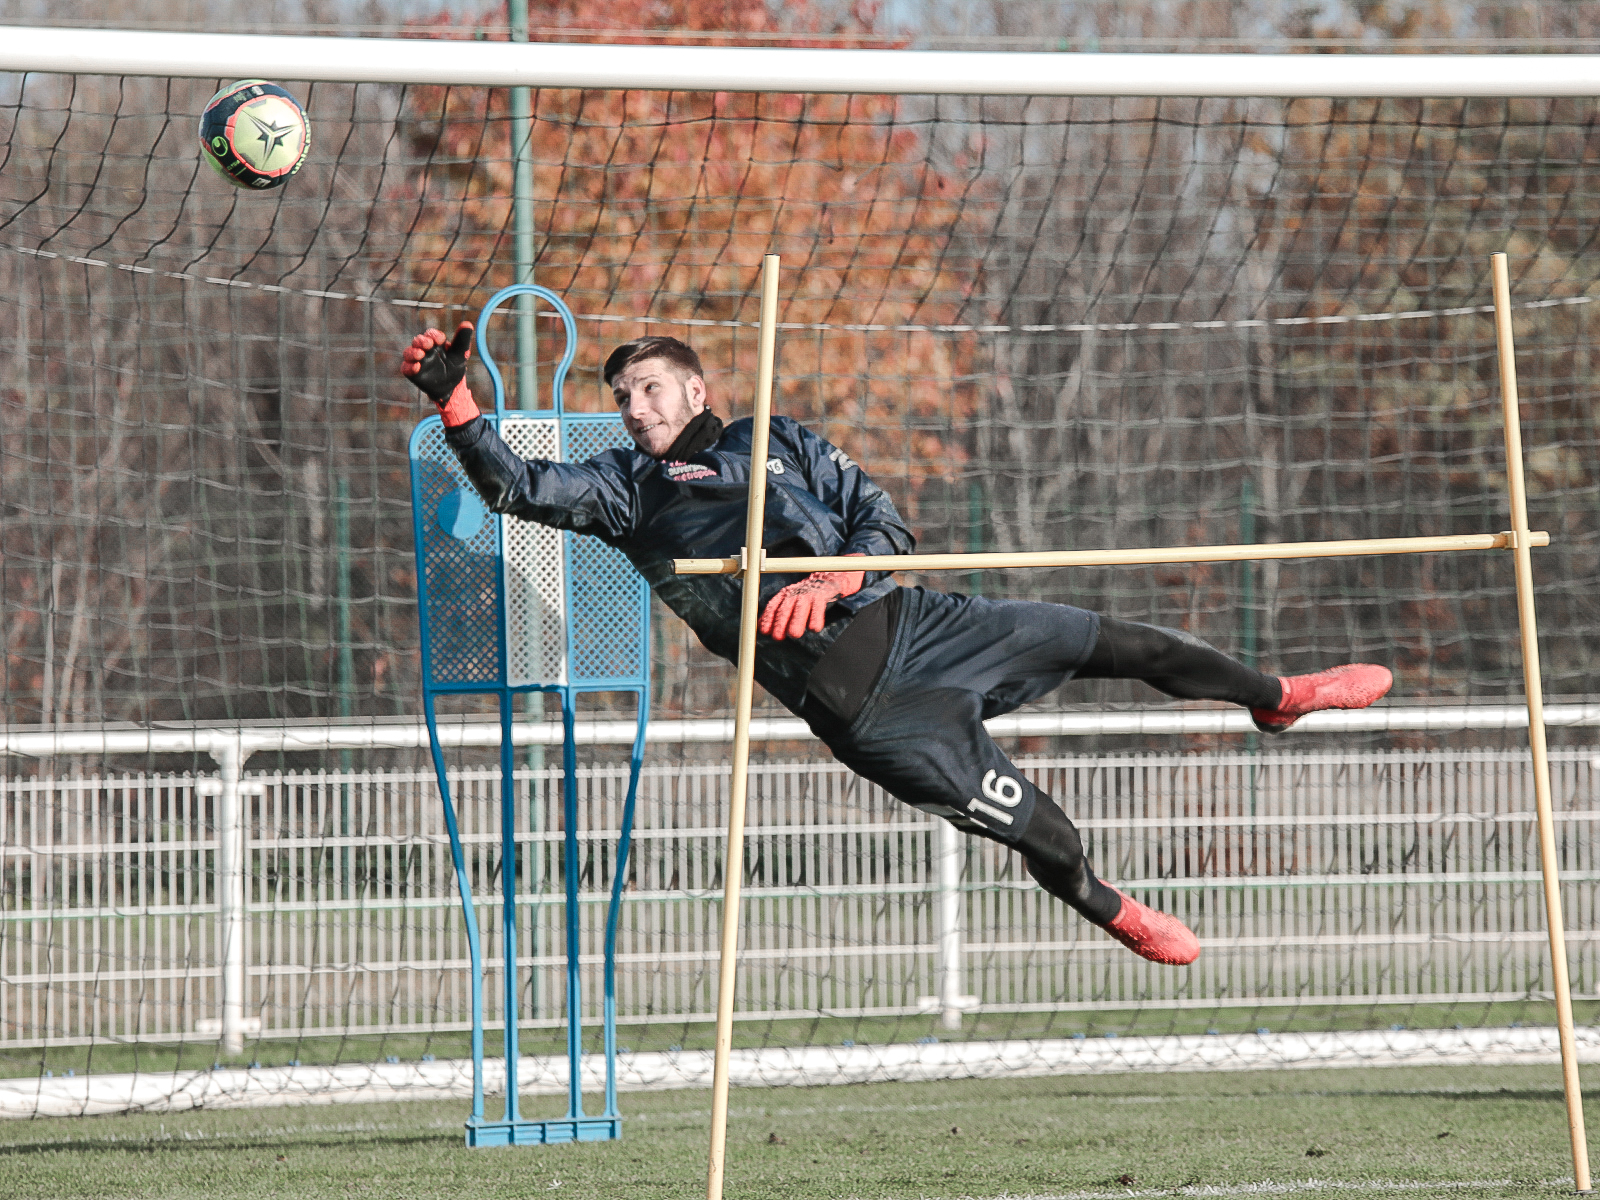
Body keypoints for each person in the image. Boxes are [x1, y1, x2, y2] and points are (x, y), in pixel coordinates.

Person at [402, 323, 1392, 966]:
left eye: (650, 389)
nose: (634, 408)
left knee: (1121, 639)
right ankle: (1111, 910)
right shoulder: (625, 488)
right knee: (1043, 833)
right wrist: (457, 401)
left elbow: (884, 522)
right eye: (621, 397)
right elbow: (514, 489)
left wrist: (839, 573)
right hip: (872, 709)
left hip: (922, 626)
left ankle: (1277, 694)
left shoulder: (778, 439)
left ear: (696, 389)